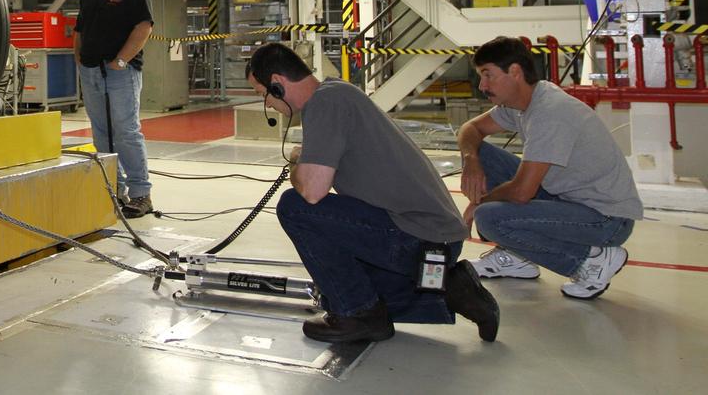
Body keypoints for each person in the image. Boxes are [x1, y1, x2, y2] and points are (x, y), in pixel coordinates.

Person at [247, 42, 498, 343]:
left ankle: (358, 316)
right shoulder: (337, 93)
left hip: (418, 237)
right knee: (341, 291)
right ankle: (453, 290)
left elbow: (312, 191)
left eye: (263, 95)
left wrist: (297, 166)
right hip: (435, 240)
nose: (268, 104)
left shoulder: (324, 105)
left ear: (277, 85)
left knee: (295, 208)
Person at [461, 37, 643, 300]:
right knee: (481, 152)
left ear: (515, 72)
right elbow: (471, 129)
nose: (483, 85)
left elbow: (522, 192)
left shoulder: (549, 112)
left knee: (490, 217)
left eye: (488, 75)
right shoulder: (524, 103)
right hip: (568, 200)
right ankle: (518, 257)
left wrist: (478, 203)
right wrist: (471, 161)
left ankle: (590, 259)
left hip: (606, 219)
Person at [74, 0, 155, 219]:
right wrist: (80, 59)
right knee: (101, 132)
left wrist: (122, 59)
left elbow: (144, 27)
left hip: (120, 73)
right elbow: (80, 30)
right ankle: (113, 189)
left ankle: (141, 194)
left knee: (126, 131)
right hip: (92, 71)